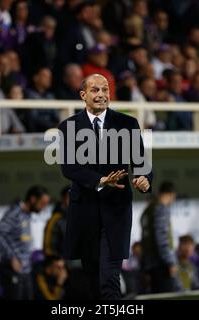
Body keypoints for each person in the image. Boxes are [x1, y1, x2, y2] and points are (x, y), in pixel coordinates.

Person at [58, 73, 153, 300]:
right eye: (95, 90)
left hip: (116, 211)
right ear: (83, 95)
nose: (101, 95)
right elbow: (69, 168)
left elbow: (141, 163)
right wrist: (100, 180)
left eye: (105, 89)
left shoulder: (128, 124)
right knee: (91, 281)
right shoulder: (68, 127)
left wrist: (144, 179)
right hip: (85, 211)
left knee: (109, 279)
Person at [0, 185, 50, 300]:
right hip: (13, 272)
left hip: (25, 270)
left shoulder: (26, 214)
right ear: (33, 199)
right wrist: (12, 257)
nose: (43, 207)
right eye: (42, 203)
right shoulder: (15, 213)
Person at [140, 181, 180, 293]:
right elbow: (161, 239)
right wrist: (170, 262)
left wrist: (145, 267)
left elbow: (145, 240)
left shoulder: (148, 210)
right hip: (161, 265)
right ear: (172, 194)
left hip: (151, 264)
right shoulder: (161, 209)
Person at [43, 186, 69, 258]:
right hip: (63, 264)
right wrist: (54, 260)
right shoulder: (56, 218)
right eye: (69, 197)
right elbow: (49, 245)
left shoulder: (81, 217)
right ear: (63, 199)